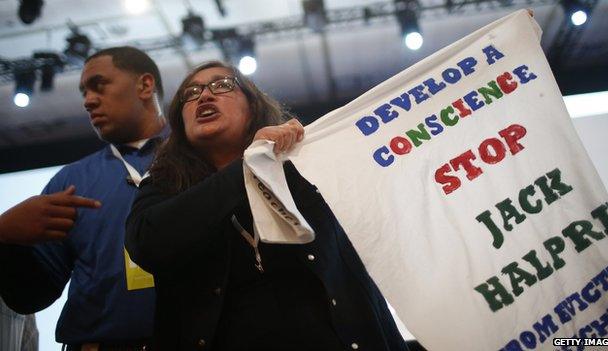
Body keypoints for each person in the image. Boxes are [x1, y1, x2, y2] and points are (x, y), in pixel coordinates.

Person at [125, 61, 409, 350]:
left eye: (222, 85)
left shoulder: (304, 166)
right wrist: (247, 166)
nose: (204, 96)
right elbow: (146, 245)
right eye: (191, 93)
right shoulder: (163, 182)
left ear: (253, 108)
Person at [0, 46, 166, 350]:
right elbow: (31, 296)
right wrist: (5, 237)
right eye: (83, 92)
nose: (88, 101)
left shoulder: (199, 158)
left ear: (145, 85)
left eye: (98, 85)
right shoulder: (70, 182)